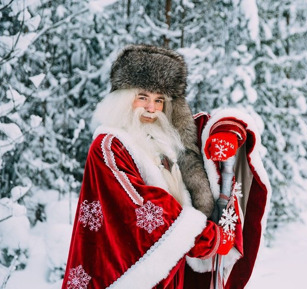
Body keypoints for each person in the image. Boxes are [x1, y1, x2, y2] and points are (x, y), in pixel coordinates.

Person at [61, 44, 271, 289]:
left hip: (167, 273)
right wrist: (206, 238)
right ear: (124, 97)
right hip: (126, 275)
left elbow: (202, 129)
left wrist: (227, 129)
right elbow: (143, 209)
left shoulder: (164, 141)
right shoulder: (109, 145)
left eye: (159, 100)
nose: (151, 108)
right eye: (143, 97)